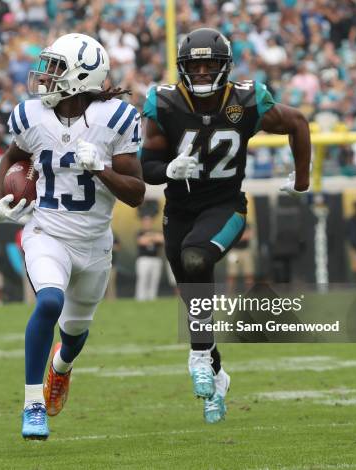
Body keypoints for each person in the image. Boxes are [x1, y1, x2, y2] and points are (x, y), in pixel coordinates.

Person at [140, 28, 311, 424]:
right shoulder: (164, 103)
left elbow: (298, 122)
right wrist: (167, 168)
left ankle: (199, 356)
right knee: (191, 295)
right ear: (182, 68)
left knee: (197, 259)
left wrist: (302, 179)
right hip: (179, 211)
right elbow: (145, 166)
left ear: (224, 67)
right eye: (194, 65)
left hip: (225, 206)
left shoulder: (246, 99)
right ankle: (217, 373)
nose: (201, 72)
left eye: (209, 65)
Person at [0, 33, 144, 440]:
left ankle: (61, 368)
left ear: (80, 75)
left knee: (73, 335)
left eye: (56, 68)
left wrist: (102, 171)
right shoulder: (32, 115)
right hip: (46, 232)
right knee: (50, 301)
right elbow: (13, 156)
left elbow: (137, 193)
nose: (45, 76)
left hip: (94, 244)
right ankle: (32, 403)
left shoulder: (115, 119)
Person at [135, 215, 164, 301]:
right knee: (143, 279)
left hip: (156, 259)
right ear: (143, 223)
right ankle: (140, 298)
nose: (147, 223)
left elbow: (162, 239)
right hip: (144, 259)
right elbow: (142, 241)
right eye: (145, 221)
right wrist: (153, 237)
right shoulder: (139, 232)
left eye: (149, 221)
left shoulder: (156, 231)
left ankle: (152, 298)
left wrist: (149, 236)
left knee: (154, 280)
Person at [226, 223, 254, 293]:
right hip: (234, 252)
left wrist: (238, 237)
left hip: (246, 251)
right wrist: (243, 236)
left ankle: (249, 292)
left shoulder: (247, 224)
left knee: (249, 273)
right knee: (232, 274)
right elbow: (230, 237)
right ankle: (230, 293)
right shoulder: (232, 224)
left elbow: (250, 235)